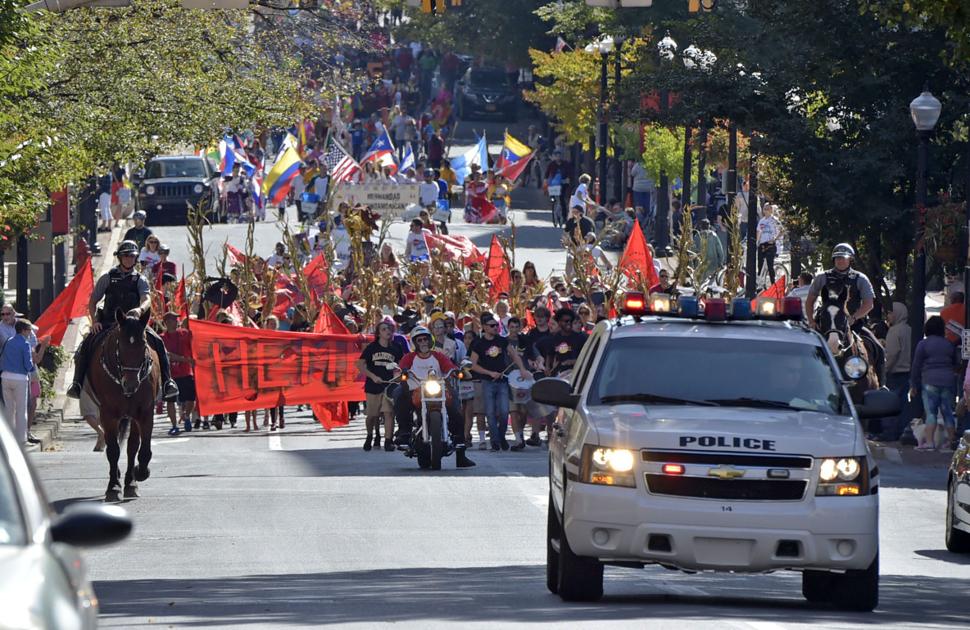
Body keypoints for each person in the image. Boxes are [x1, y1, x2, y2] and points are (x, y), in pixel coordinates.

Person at [66, 240, 178, 401]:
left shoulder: (140, 279)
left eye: (132, 256)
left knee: (159, 342)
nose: (128, 259)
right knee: (85, 346)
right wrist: (94, 322)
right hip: (108, 322)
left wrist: (140, 310)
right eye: (125, 255)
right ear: (119, 257)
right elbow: (93, 301)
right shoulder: (107, 277)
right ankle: (77, 384)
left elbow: (146, 299)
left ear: (136, 258)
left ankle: (168, 382)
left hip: (133, 325)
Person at [395, 326, 475, 468]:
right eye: (419, 340)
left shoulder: (438, 356)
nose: (423, 342)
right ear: (415, 343)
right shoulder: (409, 357)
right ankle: (404, 433)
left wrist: (456, 371)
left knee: (456, 406)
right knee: (400, 395)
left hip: (438, 390)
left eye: (425, 339)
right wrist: (401, 373)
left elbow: (449, 366)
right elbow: (400, 369)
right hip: (416, 391)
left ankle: (461, 451)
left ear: (430, 340)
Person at [804, 243, 883, 377]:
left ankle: (882, 384)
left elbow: (869, 304)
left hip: (854, 324)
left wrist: (853, 318)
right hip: (825, 324)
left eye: (843, 258)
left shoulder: (860, 279)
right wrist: (811, 321)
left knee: (878, 348)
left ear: (850, 259)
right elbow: (810, 301)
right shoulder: (822, 277)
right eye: (837, 258)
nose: (840, 260)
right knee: (803, 348)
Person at [470, 313, 527, 451]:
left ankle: (501, 437)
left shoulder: (502, 341)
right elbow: (472, 364)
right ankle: (495, 441)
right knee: (489, 412)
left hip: (502, 381)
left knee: (503, 412)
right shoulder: (479, 343)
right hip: (487, 382)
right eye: (492, 325)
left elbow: (514, 355)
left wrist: (522, 369)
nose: (495, 327)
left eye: (496, 325)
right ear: (484, 327)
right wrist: (489, 373)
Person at [910, 315, 959, 451]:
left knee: (930, 413)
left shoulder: (923, 344)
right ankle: (951, 442)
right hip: (948, 380)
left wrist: (914, 384)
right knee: (948, 412)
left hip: (929, 380)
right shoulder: (948, 344)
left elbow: (916, 365)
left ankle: (930, 443)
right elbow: (956, 363)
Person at [358, 320, 405, 452]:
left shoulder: (396, 347)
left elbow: (402, 364)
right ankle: (370, 436)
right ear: (378, 333)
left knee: (389, 413)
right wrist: (373, 376)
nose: (387, 331)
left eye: (389, 329)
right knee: (372, 415)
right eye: (384, 329)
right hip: (373, 385)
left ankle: (388, 441)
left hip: (390, 385)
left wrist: (398, 374)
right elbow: (360, 365)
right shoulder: (372, 348)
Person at [1, 318, 37, 445]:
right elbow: (28, 364)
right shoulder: (25, 343)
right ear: (23, 330)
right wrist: (32, 370)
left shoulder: (8, 341)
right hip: (20, 379)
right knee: (21, 410)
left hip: (5, 377)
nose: (30, 333)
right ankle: (22, 439)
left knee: (9, 409)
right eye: (29, 330)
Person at [879, 302, 911, 442]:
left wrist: (885, 370)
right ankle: (901, 432)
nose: (888, 316)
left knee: (890, 405)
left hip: (895, 372)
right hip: (908, 372)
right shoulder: (909, 329)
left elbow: (892, 354)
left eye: (890, 313)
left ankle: (889, 433)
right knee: (903, 406)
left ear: (897, 313)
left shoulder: (894, 331)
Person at [161, 312, 196, 436]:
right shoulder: (162, 338)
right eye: (173, 319)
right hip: (170, 375)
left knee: (191, 399)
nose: (176, 321)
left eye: (176, 319)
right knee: (171, 401)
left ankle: (186, 416)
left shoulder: (185, 333)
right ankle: (174, 425)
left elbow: (194, 345)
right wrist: (185, 359)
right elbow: (167, 355)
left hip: (186, 372)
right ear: (167, 322)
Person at [537, 308, 588, 377]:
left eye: (570, 321)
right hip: (559, 373)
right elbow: (550, 354)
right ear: (559, 322)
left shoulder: (582, 337)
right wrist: (547, 367)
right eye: (566, 321)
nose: (568, 323)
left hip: (577, 373)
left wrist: (572, 361)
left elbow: (587, 357)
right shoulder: (554, 338)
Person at [756, 204, 782, 285]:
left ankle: (773, 283)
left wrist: (775, 239)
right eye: (765, 209)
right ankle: (760, 283)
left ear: (771, 210)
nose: (766, 211)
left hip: (770, 244)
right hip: (762, 244)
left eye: (768, 209)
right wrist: (757, 242)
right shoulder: (762, 220)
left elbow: (781, 231)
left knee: (770, 265)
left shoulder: (774, 220)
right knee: (760, 265)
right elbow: (759, 231)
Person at [693, 219, 725, 284]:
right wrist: (720, 262)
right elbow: (720, 250)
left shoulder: (697, 236)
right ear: (709, 226)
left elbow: (693, 251)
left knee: (700, 285)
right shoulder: (714, 235)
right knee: (710, 285)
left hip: (700, 265)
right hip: (713, 264)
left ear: (700, 226)